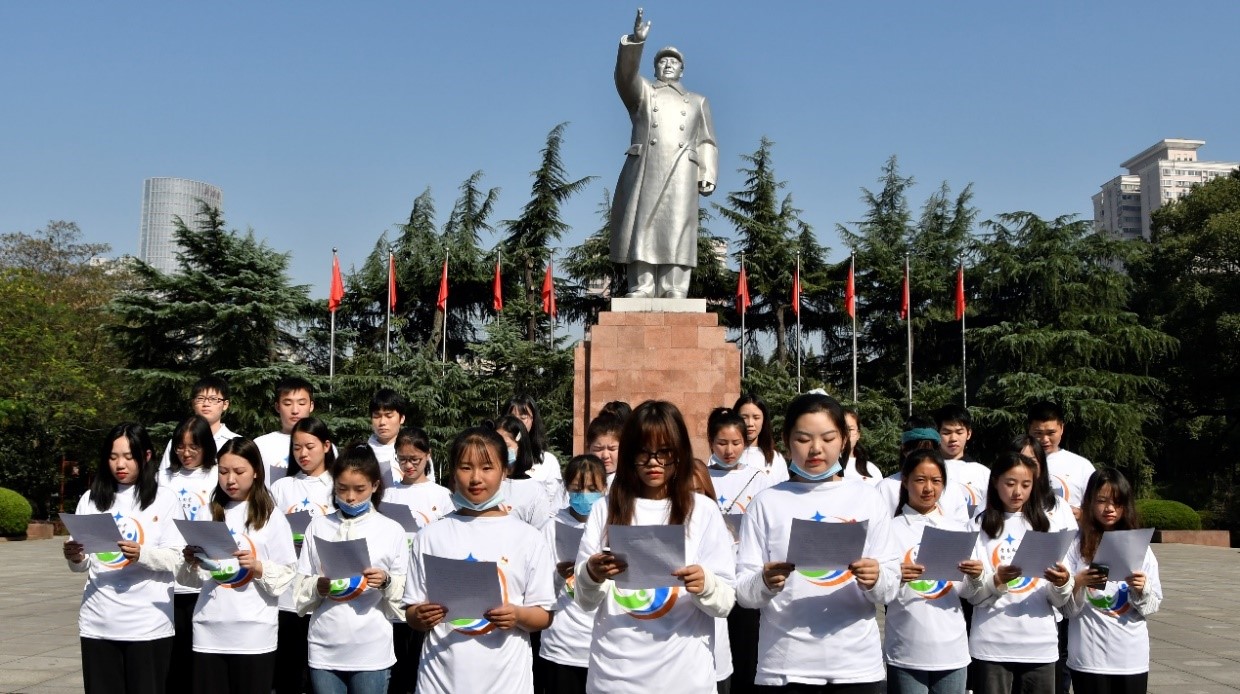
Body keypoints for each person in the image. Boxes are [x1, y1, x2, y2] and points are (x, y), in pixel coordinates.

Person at [736, 392, 900, 691]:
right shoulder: (766, 503)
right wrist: (764, 581)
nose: (815, 449)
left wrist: (875, 578)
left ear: (843, 440)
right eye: (803, 439)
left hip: (857, 669)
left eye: (828, 438)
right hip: (785, 668)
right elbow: (744, 593)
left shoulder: (867, 499)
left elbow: (890, 587)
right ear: (786, 439)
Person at [576, 400, 736, 694]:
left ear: (680, 454)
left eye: (664, 452)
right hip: (615, 678)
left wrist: (705, 584)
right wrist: (592, 573)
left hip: (684, 679)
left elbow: (725, 602)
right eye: (643, 452)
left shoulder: (701, 511)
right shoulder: (604, 509)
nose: (653, 462)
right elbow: (585, 601)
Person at [403, 427, 556, 694]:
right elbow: (412, 612)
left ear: (504, 471)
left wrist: (518, 615)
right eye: (465, 467)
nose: (476, 478)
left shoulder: (528, 538)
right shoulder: (429, 536)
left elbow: (543, 615)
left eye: (487, 468)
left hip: (506, 683)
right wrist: (421, 616)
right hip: (438, 682)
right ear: (453, 471)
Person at [64, 423, 184, 694]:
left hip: (147, 624)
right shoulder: (91, 499)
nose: (120, 464)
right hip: (99, 621)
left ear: (147, 456)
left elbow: (178, 558)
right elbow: (82, 563)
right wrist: (75, 556)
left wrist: (142, 554)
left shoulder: (164, 500)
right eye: (113, 456)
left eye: (129, 457)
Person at [609, 8, 718, 299]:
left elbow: (706, 139)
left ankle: (675, 286)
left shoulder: (697, 100)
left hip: (683, 167)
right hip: (646, 165)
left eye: (674, 62)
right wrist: (635, 41)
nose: (668, 65)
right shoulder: (643, 92)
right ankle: (642, 286)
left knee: (678, 225)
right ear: (655, 68)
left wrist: (707, 172)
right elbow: (625, 75)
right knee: (642, 224)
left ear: (682, 70)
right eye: (662, 61)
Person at [178, 438, 297, 694]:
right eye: (223, 472)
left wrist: (257, 567)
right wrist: (191, 561)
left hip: (253, 632)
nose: (230, 479)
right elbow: (192, 579)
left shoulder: (270, 516)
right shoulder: (207, 512)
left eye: (239, 472)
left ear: (255, 471)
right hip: (209, 628)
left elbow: (288, 572)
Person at [294, 444, 407, 694]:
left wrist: (386, 581)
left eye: (359, 489)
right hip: (325, 645)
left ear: (375, 486)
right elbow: (301, 583)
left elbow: (406, 592)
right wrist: (317, 586)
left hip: (371, 648)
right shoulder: (318, 527)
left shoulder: (391, 530)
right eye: (342, 489)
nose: (350, 497)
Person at [959, 452, 1072, 694]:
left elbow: (1060, 601)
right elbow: (970, 596)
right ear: (995, 482)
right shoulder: (977, 527)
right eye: (1010, 484)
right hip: (991, 644)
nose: (1017, 492)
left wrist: (1062, 583)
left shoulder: (1048, 528)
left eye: (1025, 485)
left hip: (1040, 644)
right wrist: (996, 580)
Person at [1051, 469, 1161, 694]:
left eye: (1117, 502)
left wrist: (1142, 589)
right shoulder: (1074, 546)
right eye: (1101, 501)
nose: (1109, 509)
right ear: (1089, 502)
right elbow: (1066, 610)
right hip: (1089, 656)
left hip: (1131, 657)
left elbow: (1152, 605)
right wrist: (1077, 582)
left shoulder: (1141, 548)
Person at [884, 449, 979, 694]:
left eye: (936, 481)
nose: (928, 488)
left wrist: (975, 576)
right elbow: (877, 591)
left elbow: (967, 593)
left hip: (951, 648)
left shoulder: (958, 530)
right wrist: (895, 576)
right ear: (905, 481)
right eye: (920, 480)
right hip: (906, 647)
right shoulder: (889, 530)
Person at [381, 427, 451, 694]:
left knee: (422, 661)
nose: (408, 466)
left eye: (415, 460)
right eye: (402, 459)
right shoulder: (388, 494)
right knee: (397, 667)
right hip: (395, 584)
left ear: (428, 456)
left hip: (427, 587)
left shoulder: (441, 495)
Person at [705, 406, 769, 694]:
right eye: (722, 443)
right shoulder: (699, 476)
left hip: (744, 576)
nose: (729, 450)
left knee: (746, 653)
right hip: (711, 579)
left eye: (736, 443)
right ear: (710, 442)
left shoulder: (760, 479)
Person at [270, 417, 336, 694]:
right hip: (288, 593)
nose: (303, 454)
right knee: (289, 672)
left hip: (326, 589)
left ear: (326, 445)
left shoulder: (337, 486)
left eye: (310, 446)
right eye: (297, 448)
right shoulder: (281, 488)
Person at [158, 415, 221, 687]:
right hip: (170, 579)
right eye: (180, 446)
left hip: (204, 579)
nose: (186, 453)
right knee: (172, 658)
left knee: (199, 654)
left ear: (206, 446)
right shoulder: (163, 478)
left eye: (193, 446)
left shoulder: (218, 475)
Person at [540, 454, 609, 694]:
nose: (585, 496)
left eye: (592, 489)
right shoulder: (552, 528)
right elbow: (538, 589)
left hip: (606, 644)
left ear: (605, 488)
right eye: (578, 489)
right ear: (567, 488)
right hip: (563, 644)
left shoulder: (614, 527)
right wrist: (559, 575)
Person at [877, 419, 971, 525]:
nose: (924, 459)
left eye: (929, 452)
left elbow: (962, 529)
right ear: (904, 449)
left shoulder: (952, 488)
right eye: (917, 453)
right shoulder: (885, 487)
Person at [1027, 401, 1096, 518]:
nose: (1044, 439)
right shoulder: (1016, 462)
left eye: (1051, 433)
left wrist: (1083, 515)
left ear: (1062, 428)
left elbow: (1098, 508)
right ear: (1029, 429)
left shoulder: (1081, 466)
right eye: (1038, 433)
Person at [158, 375, 241, 472]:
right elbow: (164, 477)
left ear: (225, 405)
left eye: (213, 399)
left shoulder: (236, 443)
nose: (206, 404)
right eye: (200, 399)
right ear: (193, 404)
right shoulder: (177, 443)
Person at [504, 394, 565, 510]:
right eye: (512, 417)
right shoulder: (494, 457)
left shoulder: (548, 461)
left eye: (523, 417)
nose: (517, 423)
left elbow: (554, 504)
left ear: (533, 420)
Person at [253, 376, 316, 484]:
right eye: (287, 404)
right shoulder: (260, 445)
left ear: (311, 406)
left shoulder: (324, 445)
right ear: (277, 407)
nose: (295, 410)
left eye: (301, 403)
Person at [934, 403, 990, 517]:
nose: (953, 438)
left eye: (959, 432)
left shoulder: (982, 473)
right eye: (946, 433)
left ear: (968, 434)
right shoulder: (929, 469)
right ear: (937, 433)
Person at [733, 393, 790, 483]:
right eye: (744, 417)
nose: (750, 423)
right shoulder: (725, 456)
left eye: (756, 418)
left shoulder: (776, 458)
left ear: (764, 420)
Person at [369, 388, 413, 488]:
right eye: (377, 416)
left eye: (389, 416)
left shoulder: (415, 450)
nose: (382, 422)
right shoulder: (362, 453)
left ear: (402, 418)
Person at [842, 407, 882, 484]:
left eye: (850, 429)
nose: (845, 434)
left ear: (858, 434)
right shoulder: (822, 469)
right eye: (841, 429)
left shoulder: (871, 470)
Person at [585, 413, 624, 487]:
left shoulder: (632, 484)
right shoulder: (575, 480)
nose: (605, 456)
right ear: (588, 449)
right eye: (598, 449)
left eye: (612, 449)